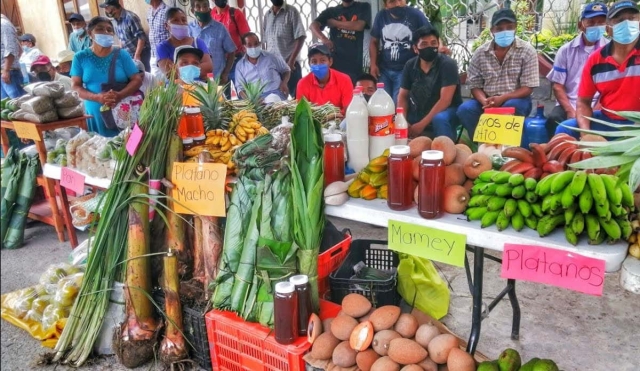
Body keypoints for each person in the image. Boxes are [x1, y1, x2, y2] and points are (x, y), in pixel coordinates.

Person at [555, 0, 640, 138]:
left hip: (637, 124)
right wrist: (586, 133)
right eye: (619, 20)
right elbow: (583, 101)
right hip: (608, 120)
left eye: (632, 18)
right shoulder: (596, 60)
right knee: (565, 130)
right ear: (608, 29)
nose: (626, 24)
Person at [457, 8, 539, 139]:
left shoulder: (527, 51)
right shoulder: (480, 53)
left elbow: (528, 87)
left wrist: (503, 98)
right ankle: (482, 144)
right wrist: (484, 101)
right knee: (465, 110)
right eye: (499, 29)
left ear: (516, 28)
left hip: (516, 99)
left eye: (509, 27)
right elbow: (474, 85)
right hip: (487, 100)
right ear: (492, 31)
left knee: (510, 107)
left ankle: (507, 150)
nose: (504, 31)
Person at [545, 3, 609, 138]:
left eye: (601, 22)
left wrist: (595, 109)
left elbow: (609, 88)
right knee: (553, 120)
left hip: (598, 104)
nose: (596, 26)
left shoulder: (610, 50)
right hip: (569, 103)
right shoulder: (565, 50)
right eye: (591, 22)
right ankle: (554, 156)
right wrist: (570, 110)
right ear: (581, 25)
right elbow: (557, 86)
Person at [70, 16, 142, 137]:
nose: (106, 32)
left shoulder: (121, 54)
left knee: (127, 149)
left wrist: (120, 95)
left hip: (123, 112)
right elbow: (75, 86)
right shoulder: (80, 57)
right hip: (94, 114)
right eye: (100, 29)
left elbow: (137, 80)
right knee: (98, 151)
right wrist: (97, 97)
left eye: (109, 30)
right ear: (90, 33)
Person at [397, 26, 462, 141]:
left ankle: (447, 153)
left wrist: (421, 125)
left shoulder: (448, 64)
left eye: (433, 43)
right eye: (424, 44)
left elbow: (445, 101)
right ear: (415, 48)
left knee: (440, 119)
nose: (430, 47)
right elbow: (403, 95)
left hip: (448, 111)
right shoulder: (410, 65)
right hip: (419, 110)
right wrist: (403, 120)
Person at [369, 0, 430, 103]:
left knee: (398, 104)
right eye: (392, 1)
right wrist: (373, 65)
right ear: (386, 5)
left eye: (400, 0)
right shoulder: (381, 16)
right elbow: (373, 42)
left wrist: (440, 47)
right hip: (384, 70)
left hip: (405, 69)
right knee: (383, 104)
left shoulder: (415, 15)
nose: (397, 4)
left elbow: (430, 33)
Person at [310, 0, 372, 84]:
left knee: (353, 93)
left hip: (355, 63)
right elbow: (313, 25)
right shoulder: (331, 11)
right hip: (335, 62)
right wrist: (324, 38)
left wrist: (335, 23)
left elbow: (359, 26)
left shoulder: (363, 7)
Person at [263, 0, 306, 98]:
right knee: (276, 100)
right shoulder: (267, 15)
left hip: (290, 65)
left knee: (298, 98)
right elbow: (265, 41)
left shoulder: (292, 11)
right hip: (273, 68)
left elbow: (301, 37)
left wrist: (291, 61)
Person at [156, 7, 213, 80]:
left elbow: (209, 67)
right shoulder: (162, 47)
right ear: (166, 25)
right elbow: (170, 73)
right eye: (175, 20)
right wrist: (195, 69)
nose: (181, 23)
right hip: (177, 89)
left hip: (199, 88)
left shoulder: (198, 42)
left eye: (184, 20)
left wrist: (181, 69)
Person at [296, 43, 354, 114]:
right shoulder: (303, 84)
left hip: (340, 122)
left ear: (330, 62)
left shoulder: (344, 80)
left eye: (322, 60)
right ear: (309, 64)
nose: (318, 64)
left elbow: (348, 111)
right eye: (314, 61)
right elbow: (302, 113)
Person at [189, 0, 237, 83]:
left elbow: (232, 52)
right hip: (195, 81)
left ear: (209, 9)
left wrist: (225, 73)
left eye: (205, 6)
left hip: (217, 80)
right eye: (198, 6)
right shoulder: (189, 28)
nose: (202, 9)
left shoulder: (220, 28)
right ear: (193, 11)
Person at [211, 0, 251, 96]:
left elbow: (246, 37)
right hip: (219, 63)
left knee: (243, 93)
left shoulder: (235, 13)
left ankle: (246, 111)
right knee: (223, 97)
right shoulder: (211, 14)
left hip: (236, 60)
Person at [235, 32, 290, 100]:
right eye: (249, 45)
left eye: (256, 44)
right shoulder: (240, 66)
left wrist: (284, 83)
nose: (254, 47)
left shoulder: (271, 57)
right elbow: (240, 88)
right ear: (244, 48)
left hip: (275, 94)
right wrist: (251, 101)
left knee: (273, 99)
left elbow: (286, 70)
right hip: (255, 99)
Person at [99, 0, 152, 72]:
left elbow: (141, 37)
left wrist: (137, 55)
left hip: (140, 54)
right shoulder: (115, 20)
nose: (105, 10)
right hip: (128, 56)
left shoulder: (130, 17)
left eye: (106, 8)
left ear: (114, 8)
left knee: (144, 78)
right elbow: (121, 39)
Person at [1, 13, 25, 98]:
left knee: (18, 105)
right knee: (6, 108)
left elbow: (11, 49)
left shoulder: (3, 24)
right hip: (3, 73)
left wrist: (6, 70)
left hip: (9, 73)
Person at [146, 0, 170, 75]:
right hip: (153, 54)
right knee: (156, 84)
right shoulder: (150, 12)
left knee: (169, 83)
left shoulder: (167, 11)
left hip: (165, 56)